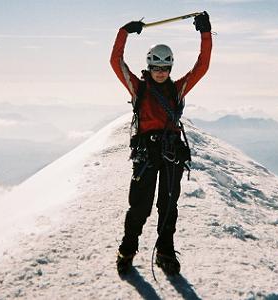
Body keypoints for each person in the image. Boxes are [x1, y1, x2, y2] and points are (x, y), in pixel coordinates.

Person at [110, 11, 212, 276]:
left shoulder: (176, 89)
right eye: (156, 67)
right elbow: (116, 61)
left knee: (168, 206)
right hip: (147, 154)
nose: (160, 73)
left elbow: (202, 66)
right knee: (140, 207)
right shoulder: (138, 88)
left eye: (165, 68)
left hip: (169, 154)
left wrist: (205, 33)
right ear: (149, 66)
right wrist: (124, 32)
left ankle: (165, 252)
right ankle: (127, 250)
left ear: (170, 68)